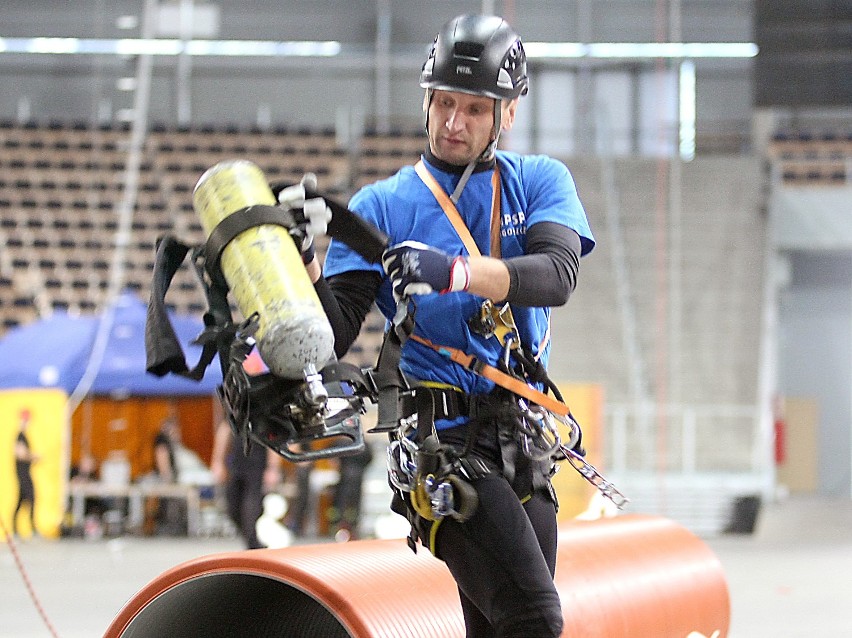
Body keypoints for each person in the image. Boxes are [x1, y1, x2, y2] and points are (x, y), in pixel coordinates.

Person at [294, 14, 595, 637]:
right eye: (444, 104)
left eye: (474, 110)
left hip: (523, 445)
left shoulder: (540, 180)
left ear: (506, 115)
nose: (454, 124)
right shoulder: (382, 206)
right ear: (427, 102)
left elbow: (558, 273)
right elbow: (336, 328)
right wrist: (299, 266)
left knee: (494, 627)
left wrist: (457, 273)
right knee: (534, 619)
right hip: (444, 445)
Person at [211, 420, 282, 549]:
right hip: (236, 465)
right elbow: (225, 429)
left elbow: (274, 438)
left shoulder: (262, 410)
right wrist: (218, 462)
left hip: (257, 466)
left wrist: (273, 468)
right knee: (232, 507)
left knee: (250, 510)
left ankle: (253, 545)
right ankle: (253, 543)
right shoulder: (237, 406)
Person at [13, 409, 39, 538]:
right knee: (30, 498)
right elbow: (20, 454)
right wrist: (33, 456)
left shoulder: (24, 435)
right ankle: (31, 528)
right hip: (22, 473)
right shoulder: (20, 436)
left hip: (25, 472)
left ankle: (16, 529)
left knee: (22, 500)